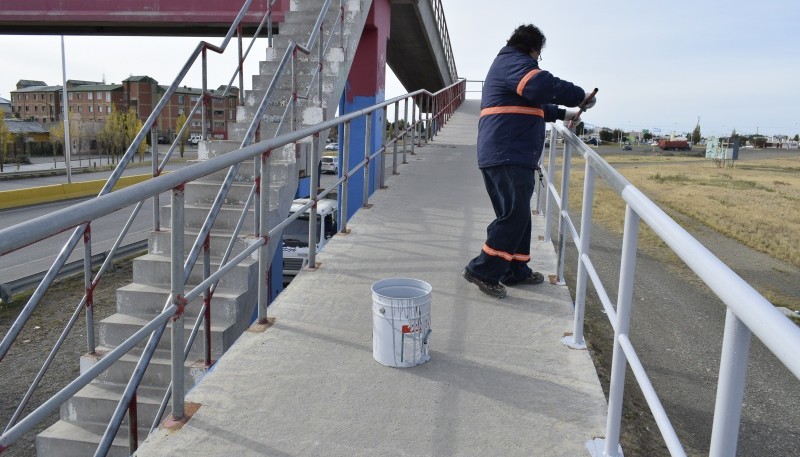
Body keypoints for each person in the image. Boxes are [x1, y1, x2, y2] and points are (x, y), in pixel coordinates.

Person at [462, 24, 596, 298]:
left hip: (506, 152)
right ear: (534, 49)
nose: (537, 60)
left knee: (517, 215)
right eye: (539, 56)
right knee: (515, 215)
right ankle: (482, 270)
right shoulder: (514, 62)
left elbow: (536, 104)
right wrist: (579, 95)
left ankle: (515, 269)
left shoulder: (508, 65)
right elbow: (539, 86)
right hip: (508, 152)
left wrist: (566, 113)